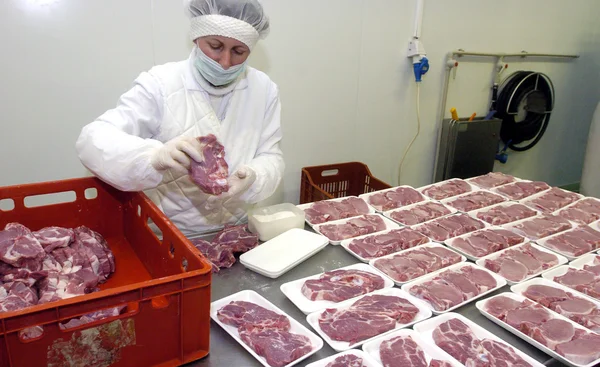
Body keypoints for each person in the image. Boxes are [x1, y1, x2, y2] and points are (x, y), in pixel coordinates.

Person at [75, 0, 284, 236]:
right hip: (169, 237)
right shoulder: (160, 83)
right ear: (197, 37)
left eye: (238, 51)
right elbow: (92, 141)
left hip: (235, 232)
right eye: (215, 46)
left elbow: (270, 155)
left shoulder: (263, 89)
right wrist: (152, 157)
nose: (225, 62)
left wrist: (255, 177)